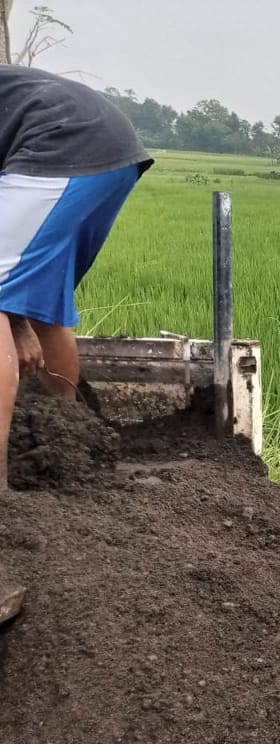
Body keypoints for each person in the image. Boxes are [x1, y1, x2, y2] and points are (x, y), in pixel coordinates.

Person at [0, 64, 153, 490]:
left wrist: (12, 319)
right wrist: (17, 320)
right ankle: (66, 442)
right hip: (106, 146)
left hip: (60, 143)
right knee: (41, 300)